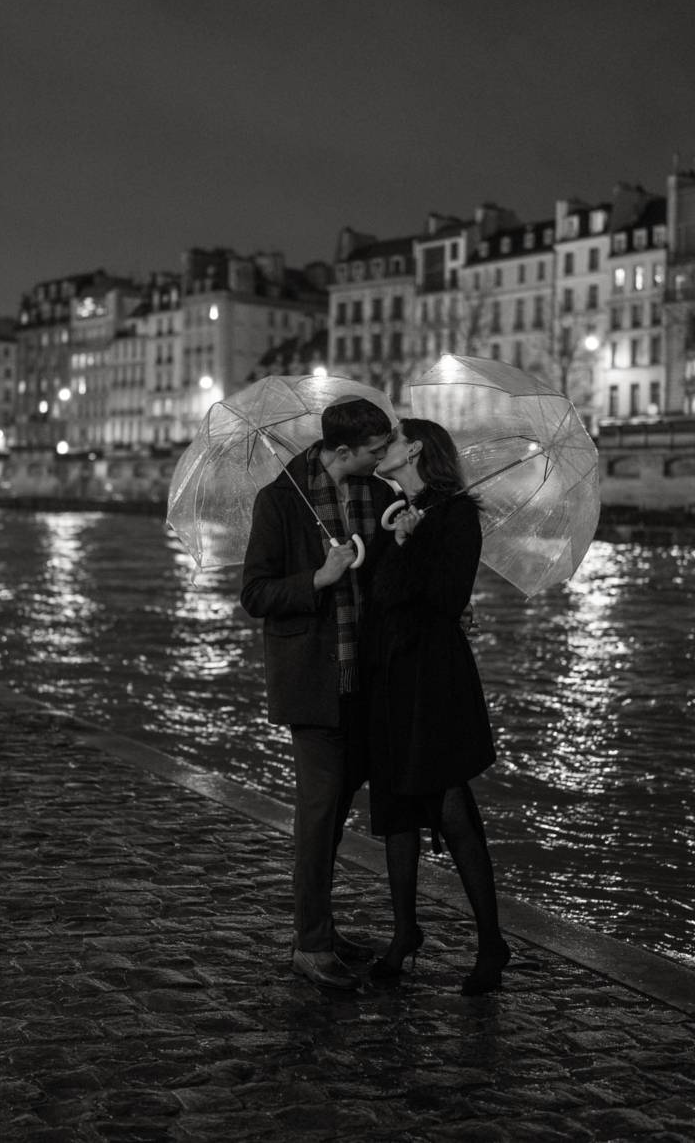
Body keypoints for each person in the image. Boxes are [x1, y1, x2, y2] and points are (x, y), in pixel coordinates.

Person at [241, 396, 395, 990]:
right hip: (313, 683)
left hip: (369, 681)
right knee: (317, 815)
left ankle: (323, 929)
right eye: (375, 449)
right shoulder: (279, 501)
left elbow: (385, 584)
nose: (382, 456)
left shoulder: (379, 498)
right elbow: (255, 593)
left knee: (333, 820)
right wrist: (318, 579)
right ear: (341, 451)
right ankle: (309, 944)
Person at [364, 417, 511, 995]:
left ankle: (491, 941)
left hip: (436, 678)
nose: (384, 446)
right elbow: (380, 594)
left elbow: (448, 599)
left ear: (416, 448)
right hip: (393, 675)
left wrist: (411, 544)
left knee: (451, 808)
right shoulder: (397, 510)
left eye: (393, 439)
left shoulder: (456, 515)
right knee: (397, 806)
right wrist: (397, 539)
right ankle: (404, 933)